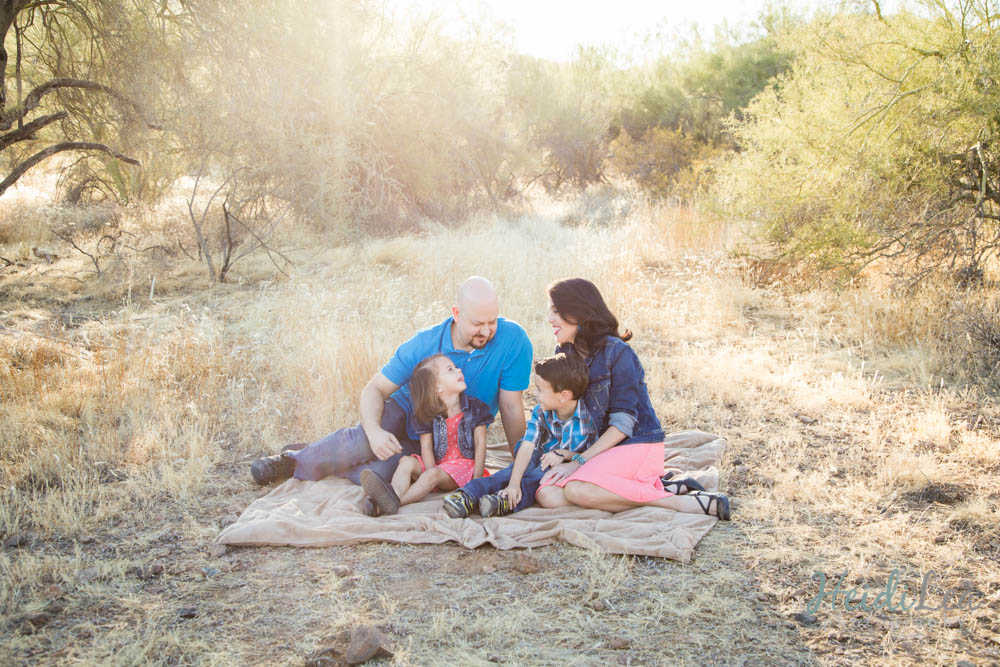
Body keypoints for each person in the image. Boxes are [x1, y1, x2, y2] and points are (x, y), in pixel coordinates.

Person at [249, 277, 534, 510]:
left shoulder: (513, 340)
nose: (487, 331)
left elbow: (511, 407)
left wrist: (522, 466)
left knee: (382, 473)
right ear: (456, 314)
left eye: (492, 321)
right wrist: (373, 431)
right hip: (406, 412)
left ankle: (319, 453)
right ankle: (292, 461)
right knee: (361, 443)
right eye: (477, 323)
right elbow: (375, 388)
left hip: (442, 437)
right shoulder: (423, 344)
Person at [533, 278, 731, 520]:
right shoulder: (565, 353)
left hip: (636, 444)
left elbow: (623, 424)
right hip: (599, 450)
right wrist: (565, 453)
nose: (550, 319)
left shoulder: (617, 353)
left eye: (556, 311)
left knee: (576, 489)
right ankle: (647, 490)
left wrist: (578, 461)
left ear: (578, 312)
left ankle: (680, 503)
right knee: (548, 496)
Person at [441, 352, 597, 518]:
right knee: (511, 472)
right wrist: (514, 483)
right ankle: (468, 494)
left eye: (540, 390)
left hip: (567, 465)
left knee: (538, 477)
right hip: (538, 454)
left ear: (563, 396)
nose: (536, 395)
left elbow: (594, 455)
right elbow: (528, 445)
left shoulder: (590, 419)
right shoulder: (541, 412)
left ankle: (503, 502)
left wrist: (564, 455)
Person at [359, 354, 493, 515]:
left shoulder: (476, 409)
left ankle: (393, 503)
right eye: (450, 370)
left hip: (464, 468)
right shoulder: (428, 414)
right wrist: (430, 472)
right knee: (406, 461)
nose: (459, 371)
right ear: (437, 388)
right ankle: (392, 494)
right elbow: (426, 446)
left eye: (456, 368)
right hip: (438, 466)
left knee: (433, 474)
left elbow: (480, 444)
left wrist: (476, 481)